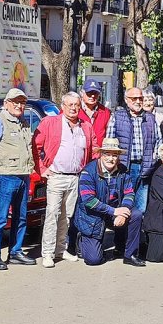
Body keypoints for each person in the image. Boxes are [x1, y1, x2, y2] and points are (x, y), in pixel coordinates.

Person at [32, 91, 96, 268]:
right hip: (56, 177)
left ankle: (61, 249)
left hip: (75, 178)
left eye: (77, 105)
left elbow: (92, 150)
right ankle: (47, 253)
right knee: (52, 214)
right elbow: (35, 146)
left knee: (67, 217)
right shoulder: (50, 123)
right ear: (63, 106)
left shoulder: (86, 126)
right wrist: (42, 169)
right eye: (70, 105)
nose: (74, 108)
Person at [0, 88, 36, 270]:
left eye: (22, 102)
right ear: (6, 103)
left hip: (23, 176)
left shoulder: (24, 123)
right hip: (6, 176)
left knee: (21, 217)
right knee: (0, 218)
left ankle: (16, 252)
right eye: (15, 102)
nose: (19, 105)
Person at [73, 138, 145, 267]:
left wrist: (123, 211)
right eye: (107, 154)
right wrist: (115, 211)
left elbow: (129, 193)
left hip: (115, 211)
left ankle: (130, 255)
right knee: (93, 260)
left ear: (118, 157)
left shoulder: (123, 170)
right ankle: (82, 239)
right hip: (93, 216)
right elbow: (89, 200)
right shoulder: (88, 171)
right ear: (101, 154)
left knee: (136, 214)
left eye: (114, 155)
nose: (110, 158)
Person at [105, 87, 161, 213]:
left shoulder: (150, 118)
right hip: (124, 168)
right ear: (126, 100)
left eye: (140, 98)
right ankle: (122, 233)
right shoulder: (117, 117)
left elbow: (158, 141)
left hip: (145, 168)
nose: (138, 101)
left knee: (141, 208)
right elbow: (109, 144)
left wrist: (153, 160)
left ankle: (136, 233)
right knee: (122, 205)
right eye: (134, 98)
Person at [78, 79, 112, 145]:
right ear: (82, 93)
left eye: (95, 93)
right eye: (89, 93)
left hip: (98, 152)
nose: (92, 96)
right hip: (79, 152)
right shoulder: (74, 109)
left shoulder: (105, 112)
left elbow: (109, 135)